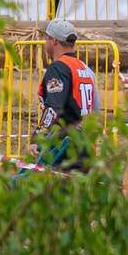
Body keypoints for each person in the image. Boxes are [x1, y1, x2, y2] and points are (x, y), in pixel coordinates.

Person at [37, 17, 99, 170]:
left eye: (46, 39)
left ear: (53, 40)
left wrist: (38, 137)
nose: (45, 45)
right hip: (85, 147)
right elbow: (95, 110)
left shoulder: (58, 68)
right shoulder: (85, 69)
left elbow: (53, 108)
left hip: (63, 149)